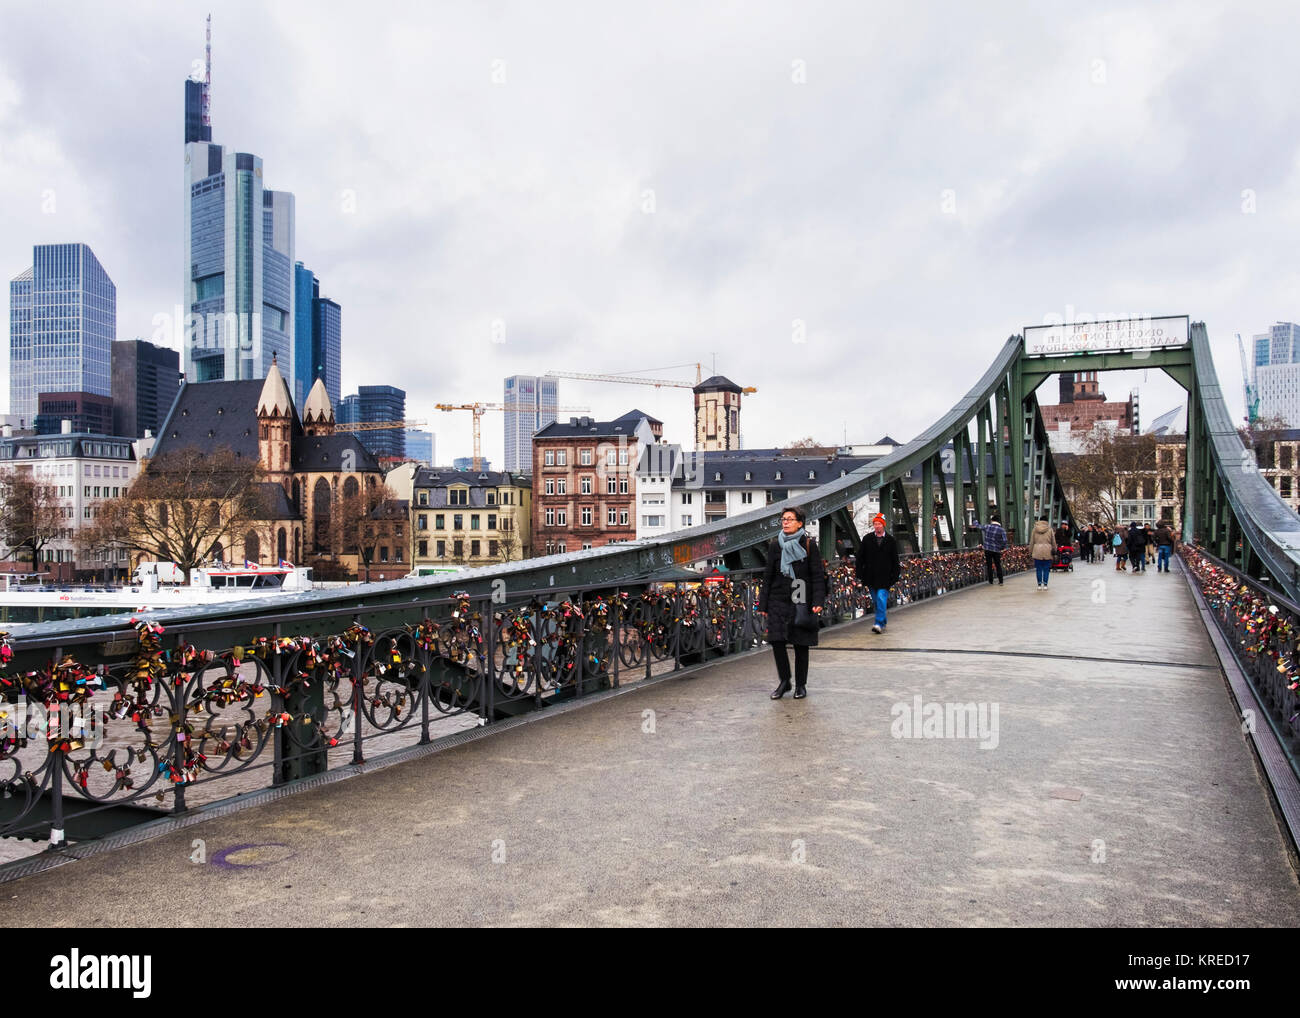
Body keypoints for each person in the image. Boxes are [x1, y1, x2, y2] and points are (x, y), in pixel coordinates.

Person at [758, 506, 826, 700]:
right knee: (777, 641)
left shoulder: (809, 545)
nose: (785, 522)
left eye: (789, 519)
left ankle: (801, 685)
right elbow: (768, 575)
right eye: (783, 519)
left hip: (800, 595)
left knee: (800, 643)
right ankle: (785, 681)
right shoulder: (775, 545)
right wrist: (763, 605)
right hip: (777, 598)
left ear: (800, 523)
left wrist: (818, 601)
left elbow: (817, 576)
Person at [855, 512, 901, 634]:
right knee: (876, 601)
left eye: (879, 524)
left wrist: (895, 576)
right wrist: (859, 573)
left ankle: (878, 623)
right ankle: (883, 620)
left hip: (885, 577)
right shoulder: (867, 539)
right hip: (870, 576)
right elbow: (860, 557)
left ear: (883, 525)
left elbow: (895, 560)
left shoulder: (890, 540)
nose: (877, 526)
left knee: (881, 598)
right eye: (875, 524)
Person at [971, 515, 1008, 584]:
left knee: (989, 565)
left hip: (987, 549)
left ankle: (991, 581)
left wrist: (975, 521)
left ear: (992, 521)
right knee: (998, 565)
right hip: (996, 550)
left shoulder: (987, 527)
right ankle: (1001, 581)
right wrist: (1001, 547)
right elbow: (1005, 540)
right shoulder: (1001, 530)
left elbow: (979, 526)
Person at [1029, 516, 1057, 588]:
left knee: (1038, 569)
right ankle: (1045, 584)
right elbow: (1053, 541)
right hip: (1047, 550)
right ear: (1047, 521)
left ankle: (1039, 584)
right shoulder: (1050, 529)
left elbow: (1032, 542)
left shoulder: (1034, 529)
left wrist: (1030, 551)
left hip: (1037, 550)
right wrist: (1054, 549)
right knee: (1046, 569)